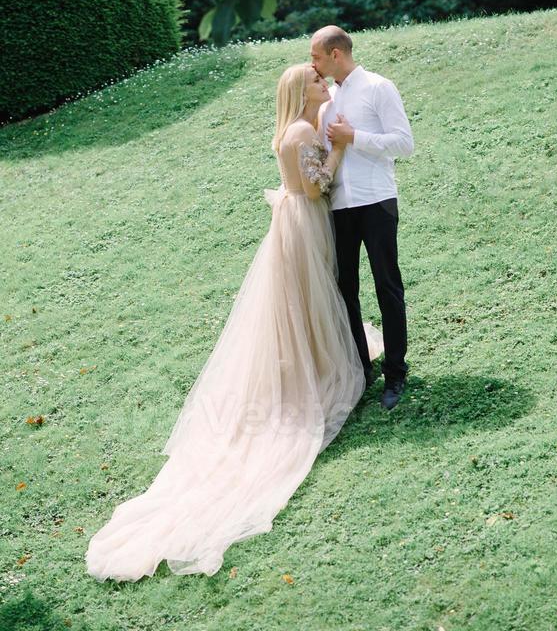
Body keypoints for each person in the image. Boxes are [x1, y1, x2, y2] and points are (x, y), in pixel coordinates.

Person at [85, 63, 382, 582]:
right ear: (300, 92)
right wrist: (338, 149)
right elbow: (315, 190)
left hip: (295, 223)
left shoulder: (296, 129)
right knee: (306, 300)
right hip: (303, 222)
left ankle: (314, 359)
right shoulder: (301, 132)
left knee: (304, 305)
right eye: (316, 82)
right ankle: (313, 372)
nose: (323, 85)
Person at [310, 26, 414, 411]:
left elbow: (405, 142)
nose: (313, 64)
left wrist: (355, 137)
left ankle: (396, 373)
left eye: (316, 56)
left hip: (377, 200)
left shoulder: (378, 87)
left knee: (388, 284)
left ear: (336, 54)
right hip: (340, 207)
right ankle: (360, 371)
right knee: (345, 289)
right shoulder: (327, 100)